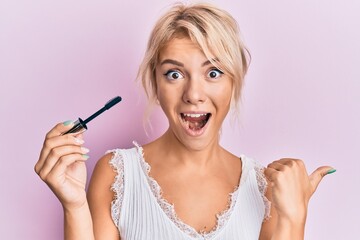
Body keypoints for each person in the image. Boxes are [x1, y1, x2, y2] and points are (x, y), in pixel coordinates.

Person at [34, 2, 336, 240]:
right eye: (174, 74)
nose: (193, 94)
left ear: (235, 80)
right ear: (155, 81)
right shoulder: (116, 175)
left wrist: (295, 217)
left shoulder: (265, 187)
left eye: (213, 73)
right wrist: (74, 206)